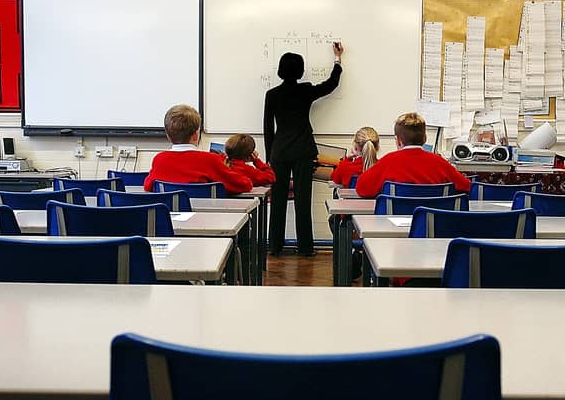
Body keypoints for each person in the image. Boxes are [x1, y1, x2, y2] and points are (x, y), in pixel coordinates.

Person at [264, 43, 344, 256]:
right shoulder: (305, 90)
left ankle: (274, 247)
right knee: (302, 201)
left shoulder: (272, 94)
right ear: (300, 70)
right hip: (302, 151)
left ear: (281, 69)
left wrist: (269, 156)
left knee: (278, 202)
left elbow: (267, 128)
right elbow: (331, 84)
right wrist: (337, 60)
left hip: (279, 152)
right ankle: (306, 248)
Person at [143, 104, 253, 195]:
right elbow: (244, 185)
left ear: (168, 136)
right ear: (196, 135)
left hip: (170, 218)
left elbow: (148, 186)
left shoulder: (159, 159)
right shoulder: (211, 159)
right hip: (206, 218)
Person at [355, 112, 471, 197]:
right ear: (425, 138)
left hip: (392, 224)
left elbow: (362, 189)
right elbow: (466, 186)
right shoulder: (439, 162)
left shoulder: (388, 161)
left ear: (398, 140)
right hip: (431, 225)